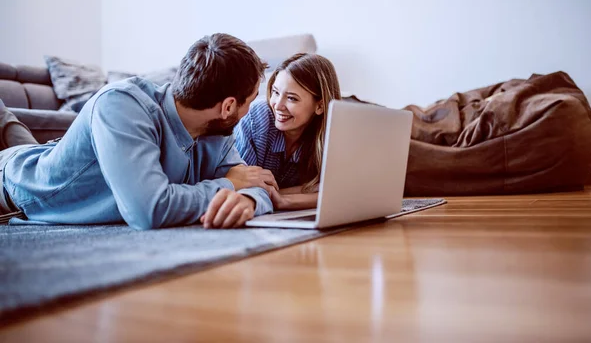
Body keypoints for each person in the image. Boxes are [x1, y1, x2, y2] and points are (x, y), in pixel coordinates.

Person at [0, 33, 278, 230]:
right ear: (228, 106)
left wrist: (247, 201)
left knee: (16, 131)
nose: (250, 111)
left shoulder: (219, 130)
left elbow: (253, 182)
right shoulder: (121, 104)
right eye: (252, 100)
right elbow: (148, 210)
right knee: (12, 136)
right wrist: (229, 186)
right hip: (20, 188)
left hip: (59, 156)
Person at [234, 53, 342, 210]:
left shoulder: (331, 134)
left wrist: (285, 200)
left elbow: (339, 192)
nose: (278, 105)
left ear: (319, 106)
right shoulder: (256, 119)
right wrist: (306, 191)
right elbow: (243, 189)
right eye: (276, 92)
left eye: (292, 98)